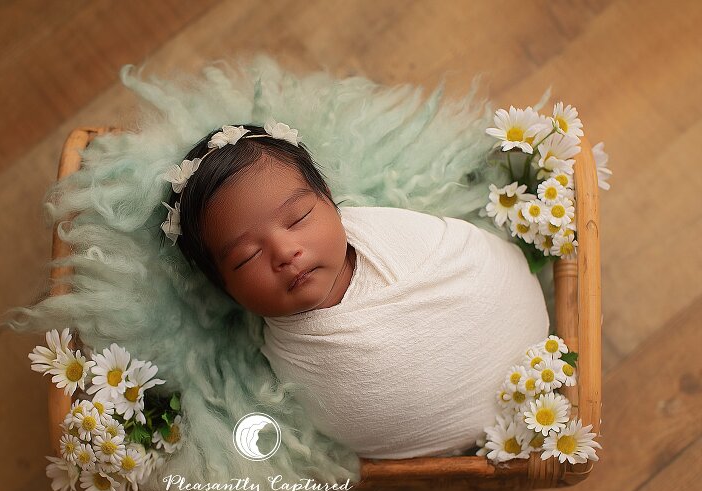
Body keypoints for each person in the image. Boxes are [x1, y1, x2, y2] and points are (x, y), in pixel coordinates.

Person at [161, 120, 549, 459]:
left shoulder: (398, 237)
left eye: (298, 218)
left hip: (535, 353)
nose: (284, 252)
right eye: (247, 257)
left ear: (329, 200)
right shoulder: (290, 364)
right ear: (226, 289)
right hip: (478, 436)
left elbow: (471, 258)